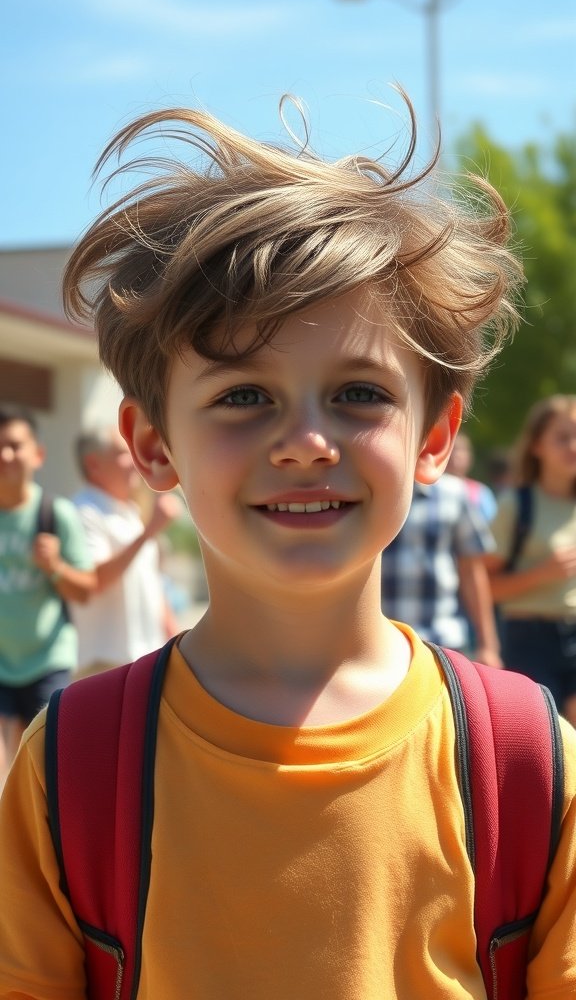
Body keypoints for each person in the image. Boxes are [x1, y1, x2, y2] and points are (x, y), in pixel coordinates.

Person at [0, 93, 575, 998]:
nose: (307, 440)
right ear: (153, 446)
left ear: (434, 438)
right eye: (242, 396)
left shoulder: (529, 763)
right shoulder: (74, 763)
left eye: (358, 394)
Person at [0, 405, 95, 789]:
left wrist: (55, 566)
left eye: (14, 446)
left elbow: (85, 590)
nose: (5, 456)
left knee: (46, 772)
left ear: (37, 454)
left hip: (46, 660)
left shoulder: (56, 514)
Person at [487, 394, 576, 727]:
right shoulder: (517, 505)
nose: (573, 446)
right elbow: (487, 588)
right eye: (563, 437)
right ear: (537, 446)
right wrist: (543, 573)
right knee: (542, 732)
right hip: (529, 637)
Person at [70, 427, 181, 676]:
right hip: (105, 665)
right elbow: (95, 580)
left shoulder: (129, 512)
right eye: (123, 453)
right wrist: (148, 532)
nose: (135, 461)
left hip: (144, 659)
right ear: (93, 464)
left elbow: (151, 584)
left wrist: (174, 639)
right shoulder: (81, 512)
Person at [381, 472, 502, 666]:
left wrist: (488, 645)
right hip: (380, 643)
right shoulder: (370, 492)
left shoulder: (454, 493)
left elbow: (471, 571)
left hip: (443, 641)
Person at [446, 430, 498, 522]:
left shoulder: (481, 493)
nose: (456, 455)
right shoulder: (426, 489)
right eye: (452, 449)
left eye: (461, 450)